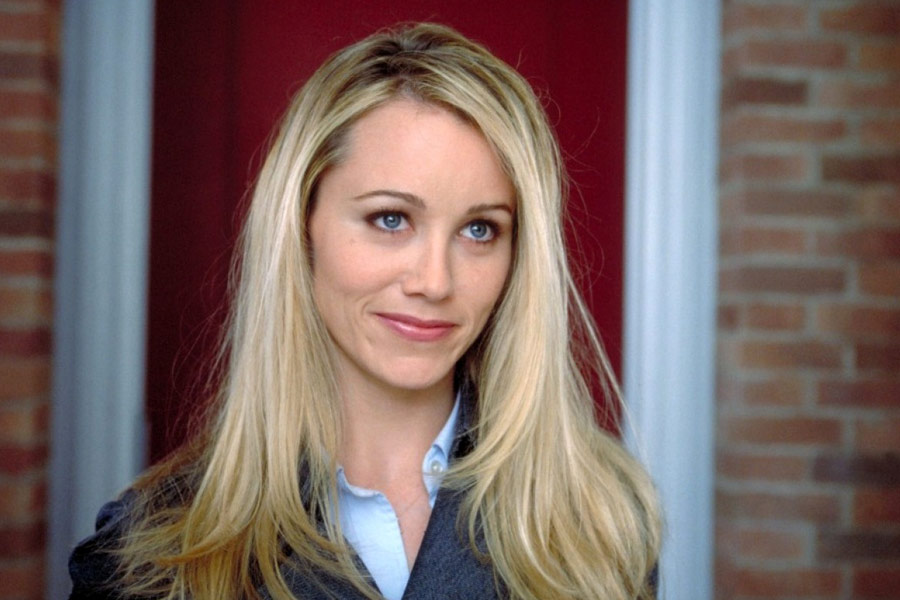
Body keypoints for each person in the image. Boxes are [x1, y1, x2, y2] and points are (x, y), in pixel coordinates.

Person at [69, 22, 661, 600]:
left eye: (480, 229)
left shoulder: (599, 522)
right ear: (302, 226)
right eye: (390, 219)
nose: (435, 281)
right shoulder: (144, 560)